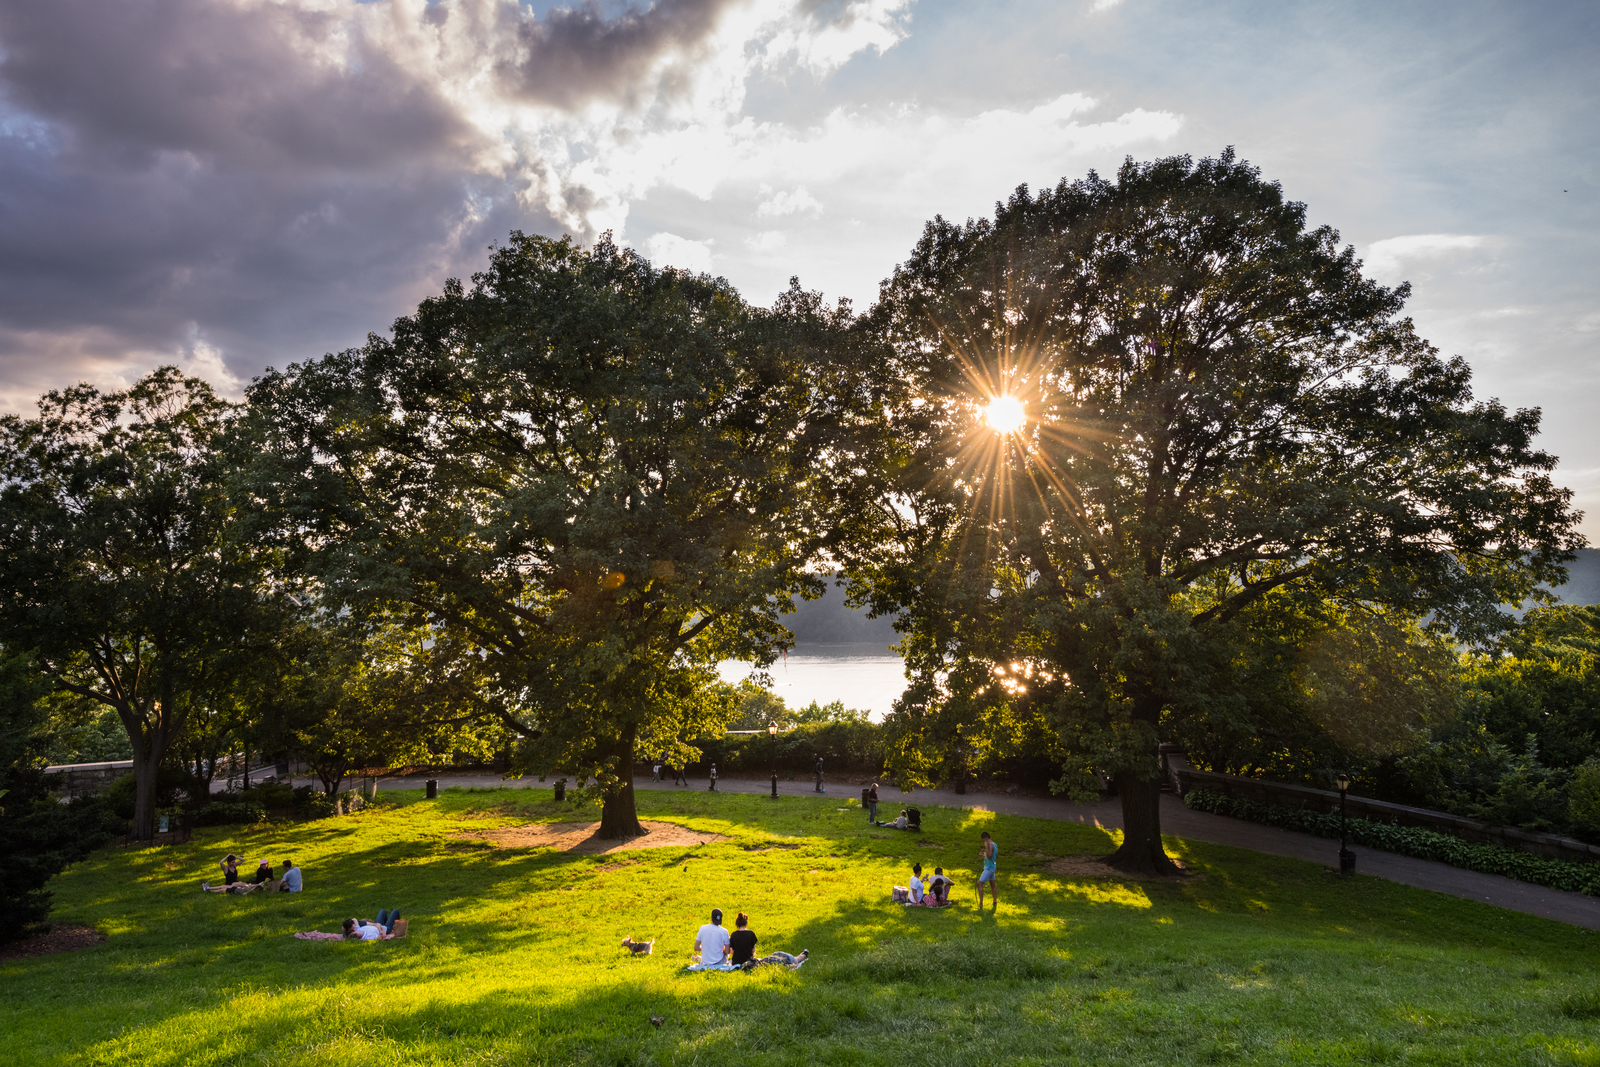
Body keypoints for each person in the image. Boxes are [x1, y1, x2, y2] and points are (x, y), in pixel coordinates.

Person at [977, 830, 999, 908]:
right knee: (992, 884)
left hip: (988, 868)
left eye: (983, 840)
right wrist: (984, 855)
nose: (983, 842)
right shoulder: (995, 845)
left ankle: (980, 903)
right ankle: (995, 901)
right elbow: (995, 856)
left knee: (979, 883)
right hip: (993, 866)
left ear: (985, 838)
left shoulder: (989, 845)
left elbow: (989, 856)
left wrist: (986, 847)